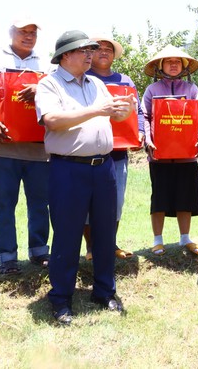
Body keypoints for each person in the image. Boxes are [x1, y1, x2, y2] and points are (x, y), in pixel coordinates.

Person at [35, 30, 135, 324]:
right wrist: (96, 110)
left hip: (103, 166)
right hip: (68, 168)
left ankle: (104, 292)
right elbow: (52, 120)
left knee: (105, 233)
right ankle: (61, 299)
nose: (91, 55)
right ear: (66, 55)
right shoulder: (49, 84)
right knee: (66, 234)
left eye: (92, 51)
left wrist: (123, 111)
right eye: (85, 51)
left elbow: (113, 117)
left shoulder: (95, 83)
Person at [0, 17, 50, 275]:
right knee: (5, 203)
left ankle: (40, 251)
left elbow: (57, 95)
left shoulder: (47, 65)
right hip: (4, 145)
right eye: (23, 31)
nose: (28, 36)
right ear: (11, 32)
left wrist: (41, 86)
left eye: (33, 32)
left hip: (39, 148)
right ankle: (7, 257)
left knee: (40, 203)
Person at [83, 35, 145, 261]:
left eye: (109, 49)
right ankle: (91, 248)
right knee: (89, 203)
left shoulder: (126, 81)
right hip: (89, 151)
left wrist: (140, 133)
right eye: (99, 48)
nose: (104, 52)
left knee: (115, 202)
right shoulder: (82, 77)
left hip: (118, 153)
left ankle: (109, 245)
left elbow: (137, 112)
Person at [142, 45, 198, 257]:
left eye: (177, 62)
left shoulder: (192, 90)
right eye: (168, 62)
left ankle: (185, 238)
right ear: (160, 66)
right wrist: (148, 140)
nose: (173, 65)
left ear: (184, 66)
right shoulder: (152, 90)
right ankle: (157, 240)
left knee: (185, 197)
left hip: (185, 155)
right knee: (159, 197)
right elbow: (146, 117)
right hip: (159, 155)